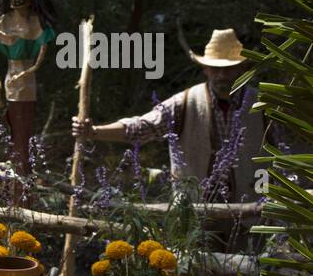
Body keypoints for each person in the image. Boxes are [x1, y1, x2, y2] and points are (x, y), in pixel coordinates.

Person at [70, 28, 265, 202]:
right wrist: (94, 131)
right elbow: (143, 127)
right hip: (194, 213)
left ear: (242, 69)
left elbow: (285, 152)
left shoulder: (262, 105)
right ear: (205, 69)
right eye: (216, 69)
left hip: (250, 213)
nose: (222, 76)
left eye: (228, 69)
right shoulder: (186, 102)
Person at [0, 0, 59, 176]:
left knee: (22, 130)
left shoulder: (38, 26)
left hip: (25, 82)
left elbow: (38, 59)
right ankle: (16, 171)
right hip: (10, 80)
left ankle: (22, 173)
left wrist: (25, 74)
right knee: (12, 127)